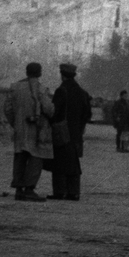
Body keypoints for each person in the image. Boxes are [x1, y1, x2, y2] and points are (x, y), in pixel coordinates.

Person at [4, 62, 55, 201]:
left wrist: (16, 123)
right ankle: (29, 189)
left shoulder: (14, 88)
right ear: (40, 73)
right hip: (36, 131)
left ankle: (19, 189)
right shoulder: (41, 89)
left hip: (20, 130)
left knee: (20, 158)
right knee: (35, 159)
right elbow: (49, 110)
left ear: (26, 72)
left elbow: (7, 109)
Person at [50, 62, 92, 201]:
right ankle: (74, 192)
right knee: (73, 162)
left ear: (62, 75)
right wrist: (79, 126)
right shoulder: (82, 92)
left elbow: (54, 111)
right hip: (76, 133)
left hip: (62, 132)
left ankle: (60, 192)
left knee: (59, 163)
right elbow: (88, 114)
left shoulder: (61, 91)